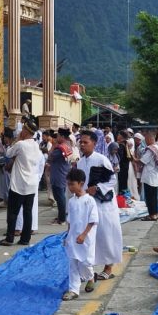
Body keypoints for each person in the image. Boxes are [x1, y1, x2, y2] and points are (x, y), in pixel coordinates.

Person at [75, 132, 122, 282]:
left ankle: (108, 267)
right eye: (80, 142)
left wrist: (98, 188)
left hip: (103, 204)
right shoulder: (80, 162)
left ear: (94, 144)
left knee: (106, 235)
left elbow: (112, 180)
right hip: (88, 204)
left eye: (85, 142)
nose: (82, 145)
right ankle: (88, 270)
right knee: (89, 236)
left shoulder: (102, 160)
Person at [0, 117, 42, 246]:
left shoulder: (21, 144)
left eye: (23, 129)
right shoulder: (36, 145)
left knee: (12, 213)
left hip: (19, 184)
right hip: (32, 184)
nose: (20, 131)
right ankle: (25, 239)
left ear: (26, 131)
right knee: (27, 212)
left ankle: (9, 238)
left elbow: (8, 153)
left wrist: (17, 140)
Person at [62, 168, 98, 301]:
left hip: (86, 237)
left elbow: (93, 220)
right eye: (69, 184)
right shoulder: (71, 201)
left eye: (72, 184)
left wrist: (84, 235)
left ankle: (90, 277)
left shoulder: (89, 201)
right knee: (73, 262)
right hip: (73, 237)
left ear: (81, 183)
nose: (70, 187)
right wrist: (68, 236)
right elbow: (70, 220)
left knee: (85, 262)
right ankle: (73, 289)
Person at [47, 128, 72, 224]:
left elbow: (50, 156)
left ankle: (61, 219)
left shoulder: (60, 148)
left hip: (58, 174)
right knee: (61, 196)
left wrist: (53, 146)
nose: (56, 138)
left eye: (58, 136)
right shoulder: (67, 146)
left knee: (59, 197)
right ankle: (61, 217)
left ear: (62, 136)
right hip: (63, 173)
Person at [139, 132, 158, 220]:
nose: (145, 141)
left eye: (145, 140)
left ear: (149, 139)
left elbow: (143, 161)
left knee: (150, 197)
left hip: (149, 175)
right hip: (155, 174)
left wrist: (134, 159)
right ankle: (155, 213)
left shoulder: (150, 149)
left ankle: (152, 215)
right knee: (154, 196)